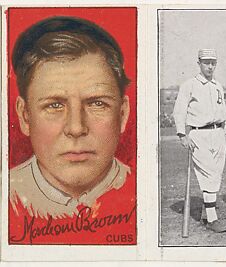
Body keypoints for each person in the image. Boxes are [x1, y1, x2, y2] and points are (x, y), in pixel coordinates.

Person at [9, 16, 136, 244]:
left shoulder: (145, 192)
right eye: (54, 105)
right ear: (25, 116)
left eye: (97, 103)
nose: (76, 128)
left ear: (122, 114)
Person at [172, 48, 226, 233]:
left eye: (213, 62)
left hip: (218, 133)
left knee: (216, 174)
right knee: (208, 175)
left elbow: (224, 113)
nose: (210, 66)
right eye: (206, 62)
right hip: (199, 134)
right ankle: (212, 219)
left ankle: (207, 213)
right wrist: (182, 135)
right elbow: (179, 111)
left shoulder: (217, 85)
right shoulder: (189, 84)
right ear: (199, 63)